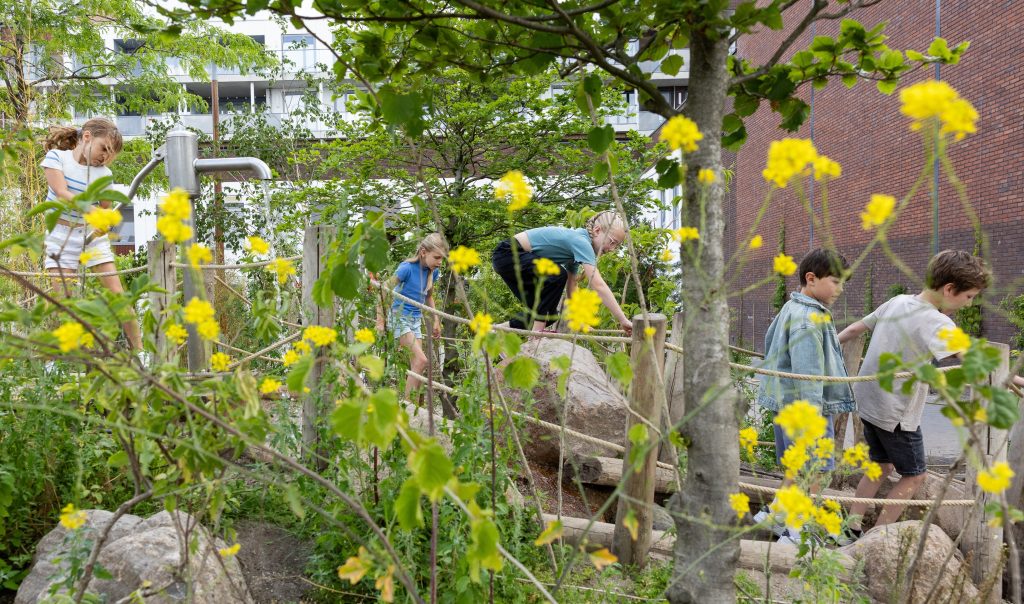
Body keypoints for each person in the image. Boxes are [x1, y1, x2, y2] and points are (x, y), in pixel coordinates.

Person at [838, 249, 990, 532]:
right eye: (969, 297)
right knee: (914, 476)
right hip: (897, 413)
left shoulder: (898, 301)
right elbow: (973, 360)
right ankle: (880, 536)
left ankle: (850, 527)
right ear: (949, 289)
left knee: (879, 467)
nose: (969, 304)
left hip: (868, 402)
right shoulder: (937, 321)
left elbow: (854, 329)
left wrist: (830, 347)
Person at [752, 248, 854, 544]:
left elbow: (769, 341)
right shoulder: (810, 318)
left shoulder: (790, 308)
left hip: (784, 403)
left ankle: (776, 515)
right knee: (815, 471)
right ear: (811, 278)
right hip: (806, 409)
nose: (840, 289)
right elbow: (808, 374)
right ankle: (797, 533)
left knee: (796, 467)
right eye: (835, 281)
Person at [42, 118, 142, 351]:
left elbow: (104, 211)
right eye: (103, 149)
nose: (105, 157)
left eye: (110, 154)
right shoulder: (58, 158)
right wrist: (91, 210)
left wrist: (103, 223)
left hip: (90, 236)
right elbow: (61, 192)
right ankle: (72, 359)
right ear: (86, 137)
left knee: (119, 296)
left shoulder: (104, 174)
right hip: (60, 235)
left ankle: (140, 352)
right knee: (65, 303)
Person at [490, 210, 633, 336]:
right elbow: (598, 284)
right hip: (508, 254)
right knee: (557, 276)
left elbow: (572, 287)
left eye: (617, 246)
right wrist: (623, 319)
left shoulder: (576, 247)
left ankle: (497, 331)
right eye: (612, 242)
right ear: (597, 231)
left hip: (511, 261)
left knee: (549, 314)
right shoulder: (581, 242)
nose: (613, 249)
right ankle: (535, 337)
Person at [374, 233, 448, 401]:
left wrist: (436, 320)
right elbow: (383, 290)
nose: (439, 262)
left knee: (418, 366)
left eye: (442, 259)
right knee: (422, 360)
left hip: (415, 320)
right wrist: (380, 320)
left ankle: (410, 405)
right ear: (423, 252)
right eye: (436, 257)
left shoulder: (432, 273)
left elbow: (428, 297)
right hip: (398, 317)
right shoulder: (406, 268)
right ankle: (407, 405)